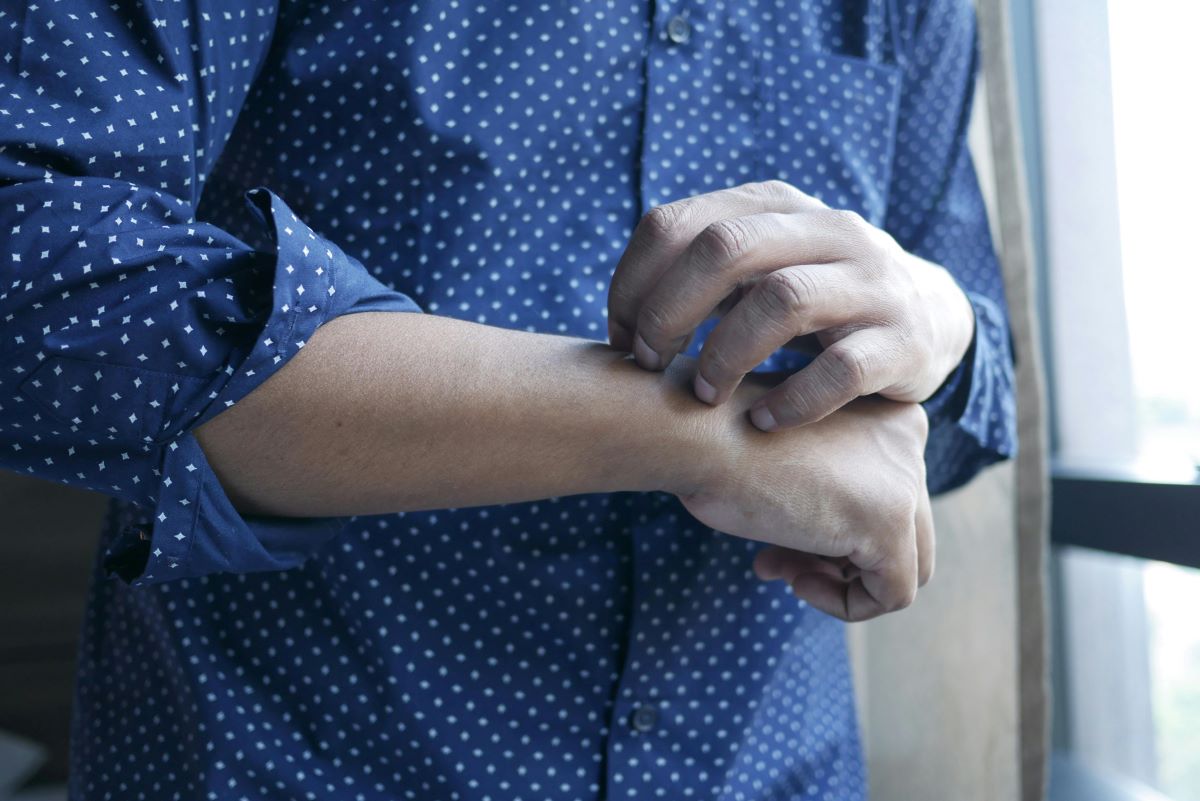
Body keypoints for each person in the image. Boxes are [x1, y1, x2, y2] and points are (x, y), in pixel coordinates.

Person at [0, 0, 1014, 797]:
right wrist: (702, 436)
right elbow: (35, 280)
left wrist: (936, 323)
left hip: (774, 770)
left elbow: (964, 414)